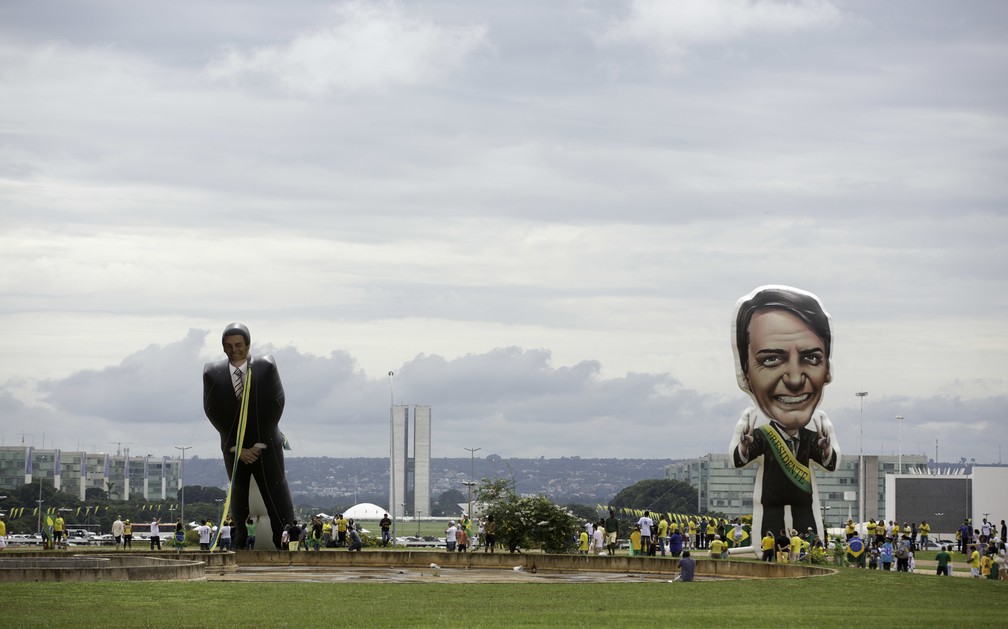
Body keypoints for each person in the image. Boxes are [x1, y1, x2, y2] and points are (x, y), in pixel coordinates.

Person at [728, 287, 840, 548]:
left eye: (811, 358)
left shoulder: (815, 432)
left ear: (827, 371)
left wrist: (825, 449)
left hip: (804, 499)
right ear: (744, 374)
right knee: (768, 538)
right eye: (771, 360)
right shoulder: (760, 431)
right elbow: (738, 459)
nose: (794, 379)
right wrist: (743, 446)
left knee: (810, 535)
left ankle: (813, 553)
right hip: (770, 498)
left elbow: (830, 463)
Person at [203, 323, 295, 550]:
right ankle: (239, 540)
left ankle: (285, 540)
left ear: (248, 345)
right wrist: (236, 447)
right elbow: (212, 410)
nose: (234, 349)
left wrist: (259, 444)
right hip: (233, 449)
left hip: (266, 445)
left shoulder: (266, 366)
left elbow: (277, 404)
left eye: (238, 345)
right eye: (228, 346)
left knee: (276, 492)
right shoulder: (212, 372)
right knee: (238, 493)